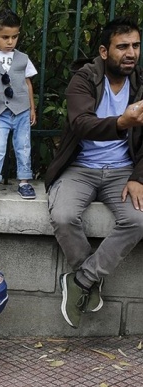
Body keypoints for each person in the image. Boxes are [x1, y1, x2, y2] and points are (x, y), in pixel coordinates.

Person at [45, 16, 143, 329]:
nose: (131, 53)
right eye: (122, 46)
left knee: (139, 219)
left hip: (122, 170)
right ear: (103, 51)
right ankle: (89, 282)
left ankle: (82, 281)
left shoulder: (141, 83)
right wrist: (121, 123)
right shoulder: (84, 79)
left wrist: (138, 176)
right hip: (80, 168)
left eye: (136, 46)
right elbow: (81, 124)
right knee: (62, 215)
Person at [0, 9, 38, 205]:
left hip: (21, 110)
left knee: (23, 146)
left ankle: (24, 182)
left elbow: (28, 84)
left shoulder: (23, 58)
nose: (10, 41)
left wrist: (32, 108)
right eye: (5, 37)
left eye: (14, 37)